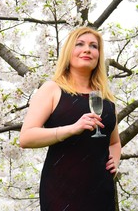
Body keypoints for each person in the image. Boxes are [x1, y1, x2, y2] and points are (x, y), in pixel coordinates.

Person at [19, 26, 121, 211]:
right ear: (68, 52)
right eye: (80, 44)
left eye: (93, 46)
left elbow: (114, 142)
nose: (87, 49)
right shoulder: (52, 89)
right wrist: (72, 129)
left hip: (100, 190)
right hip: (60, 190)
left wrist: (115, 160)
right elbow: (26, 138)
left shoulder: (107, 99)